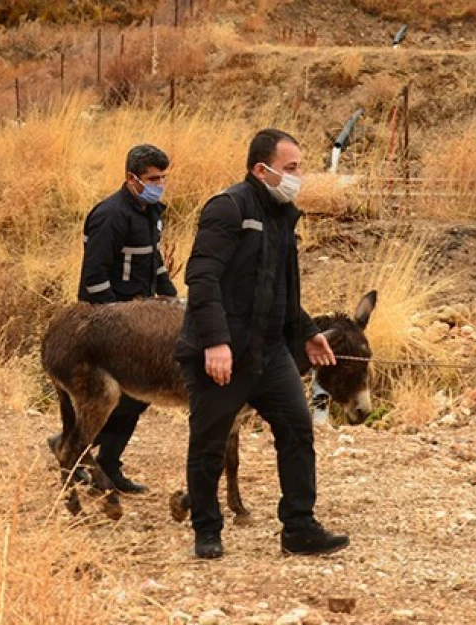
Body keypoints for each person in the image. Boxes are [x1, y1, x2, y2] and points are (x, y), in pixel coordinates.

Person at [175, 128, 348, 559]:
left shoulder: (283, 216)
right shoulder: (228, 208)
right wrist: (215, 342)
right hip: (224, 355)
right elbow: (202, 278)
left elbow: (281, 290)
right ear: (261, 169)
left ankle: (299, 527)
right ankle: (207, 530)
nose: (297, 177)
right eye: (289, 169)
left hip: (269, 353)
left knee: (297, 431)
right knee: (209, 443)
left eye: (299, 169)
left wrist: (306, 332)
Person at [50, 143, 177, 494]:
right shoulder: (111, 215)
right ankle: (75, 448)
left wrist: (170, 297)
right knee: (124, 399)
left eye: (163, 177)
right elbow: (94, 276)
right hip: (111, 324)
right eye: (153, 178)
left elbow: (155, 261)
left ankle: (95, 458)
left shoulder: (151, 212)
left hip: (139, 321)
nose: (160, 184)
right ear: (131, 178)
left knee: (136, 401)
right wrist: (122, 321)